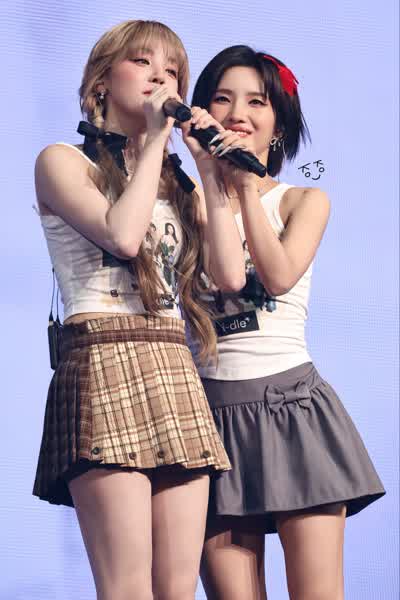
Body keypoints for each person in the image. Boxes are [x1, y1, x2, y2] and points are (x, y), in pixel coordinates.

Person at [32, 21, 248, 600]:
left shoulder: (178, 183)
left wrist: (209, 174)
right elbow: (123, 237)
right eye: (143, 62)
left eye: (173, 70)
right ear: (101, 80)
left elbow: (230, 278)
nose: (161, 77)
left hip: (173, 367)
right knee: (128, 586)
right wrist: (155, 140)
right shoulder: (61, 161)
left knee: (177, 587)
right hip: (103, 358)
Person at [189, 45, 385, 600]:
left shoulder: (305, 200)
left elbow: (275, 276)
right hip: (211, 418)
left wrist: (245, 186)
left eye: (257, 101)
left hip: (293, 411)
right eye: (222, 98)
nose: (237, 113)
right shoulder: (184, 201)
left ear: (279, 123)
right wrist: (210, 178)